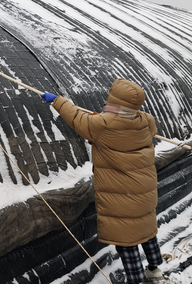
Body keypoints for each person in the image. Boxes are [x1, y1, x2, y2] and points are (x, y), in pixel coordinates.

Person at [41, 78, 164, 284]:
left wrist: (57, 101)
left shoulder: (103, 126)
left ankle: (135, 279)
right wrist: (104, 119)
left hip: (122, 196)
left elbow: (77, 119)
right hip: (143, 191)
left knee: (126, 240)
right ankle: (154, 269)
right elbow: (116, 125)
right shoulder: (145, 120)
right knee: (145, 229)